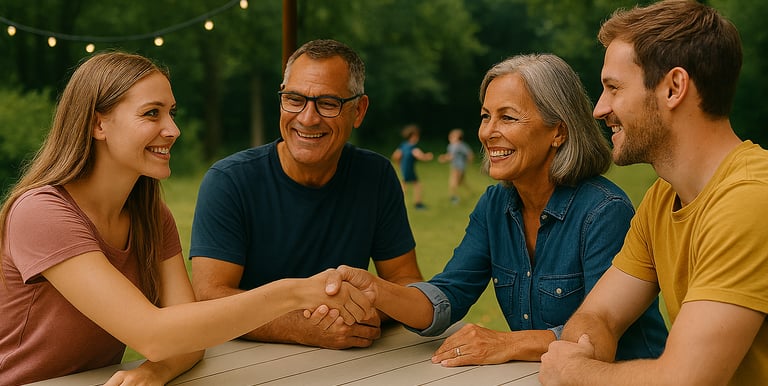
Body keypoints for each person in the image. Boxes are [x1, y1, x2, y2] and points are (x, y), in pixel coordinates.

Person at [0, 52, 373, 385]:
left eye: (171, 113)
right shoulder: (42, 212)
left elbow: (189, 333)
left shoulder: (148, 213)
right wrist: (293, 292)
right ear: (99, 125)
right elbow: (153, 334)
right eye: (152, 113)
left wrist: (154, 371)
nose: (173, 130)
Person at [322, 53, 668, 367]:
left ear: (558, 132)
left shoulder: (604, 211)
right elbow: (448, 296)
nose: (488, 132)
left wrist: (508, 343)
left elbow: (596, 335)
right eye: (486, 116)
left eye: (508, 117)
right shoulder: (494, 206)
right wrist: (377, 290)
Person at [539, 1, 768, 385]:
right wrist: (583, 349)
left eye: (613, 88)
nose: (599, 109)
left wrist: (576, 370)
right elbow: (600, 315)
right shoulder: (662, 198)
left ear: (674, 87)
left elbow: (685, 380)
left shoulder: (750, 199)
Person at [189, 39, 423, 350]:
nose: (308, 118)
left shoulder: (375, 176)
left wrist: (353, 314)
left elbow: (407, 282)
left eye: (328, 103)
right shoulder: (229, 181)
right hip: (242, 364)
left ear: (359, 110)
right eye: (294, 99)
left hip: (353, 364)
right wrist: (301, 326)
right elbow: (209, 296)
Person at [391, 123, 434, 209]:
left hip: (404, 169)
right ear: (414, 136)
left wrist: (399, 164)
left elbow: (395, 155)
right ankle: (418, 204)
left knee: (404, 185)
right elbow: (418, 155)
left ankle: (396, 203)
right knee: (417, 185)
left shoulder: (403, 145)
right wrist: (427, 157)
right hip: (409, 169)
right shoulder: (412, 147)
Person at [438, 128, 474, 204]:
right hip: (459, 167)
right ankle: (471, 192)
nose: (450, 138)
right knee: (461, 182)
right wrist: (468, 162)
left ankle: (454, 198)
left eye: (452, 136)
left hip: (458, 167)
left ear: (458, 138)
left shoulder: (456, 146)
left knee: (453, 183)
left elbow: (451, 156)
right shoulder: (457, 145)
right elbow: (470, 154)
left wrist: (443, 158)